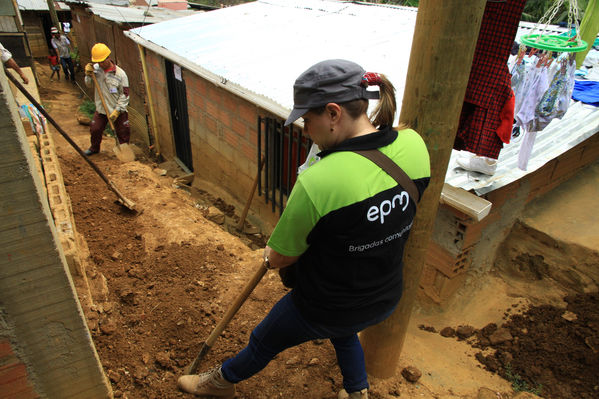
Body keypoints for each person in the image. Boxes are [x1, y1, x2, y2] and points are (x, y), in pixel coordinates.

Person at [177, 59, 431, 398]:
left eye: (308, 121)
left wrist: (271, 253)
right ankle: (357, 392)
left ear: (333, 113)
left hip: (325, 304)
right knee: (345, 331)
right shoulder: (415, 145)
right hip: (384, 294)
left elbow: (281, 257)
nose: (305, 130)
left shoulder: (319, 181)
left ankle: (220, 383)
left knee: (264, 339)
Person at [83, 43, 130, 156]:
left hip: (117, 110)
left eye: (102, 61)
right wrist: (88, 75)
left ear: (108, 57)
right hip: (102, 109)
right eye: (98, 62)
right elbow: (89, 85)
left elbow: (125, 95)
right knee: (95, 129)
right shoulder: (95, 70)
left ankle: (124, 152)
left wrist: (118, 110)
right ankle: (94, 148)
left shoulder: (120, 74)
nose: (100, 64)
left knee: (123, 132)